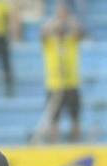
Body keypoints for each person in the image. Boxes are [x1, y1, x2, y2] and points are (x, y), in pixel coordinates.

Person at [42, 2, 84, 142]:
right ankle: (54, 144)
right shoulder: (50, 43)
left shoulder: (71, 41)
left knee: (75, 118)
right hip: (54, 85)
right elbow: (44, 32)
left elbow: (79, 31)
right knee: (54, 120)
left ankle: (76, 142)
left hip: (71, 84)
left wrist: (68, 19)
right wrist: (56, 20)